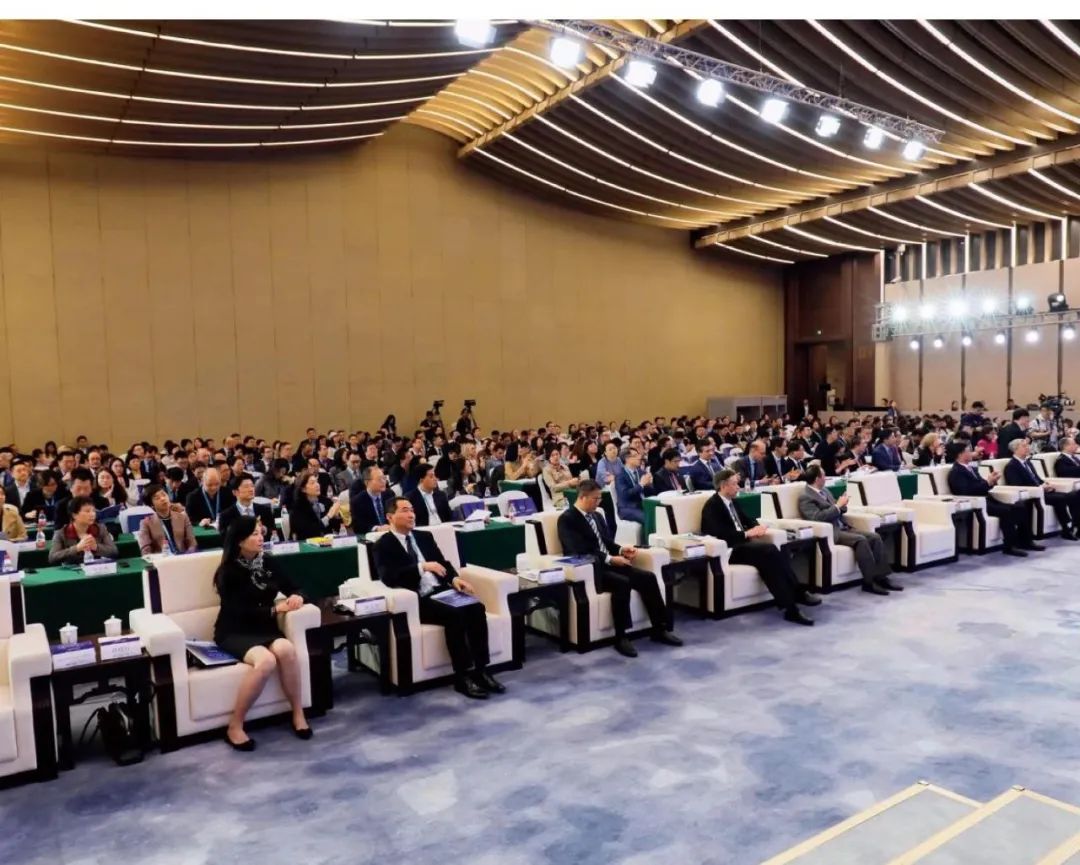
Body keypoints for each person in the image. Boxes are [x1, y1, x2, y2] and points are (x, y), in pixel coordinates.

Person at [373, 497, 504, 699]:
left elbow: (443, 563)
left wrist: (454, 579)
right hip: (419, 598)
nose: (411, 515)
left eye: (412, 510)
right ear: (390, 517)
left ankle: (482, 670)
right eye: (405, 510)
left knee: (476, 608)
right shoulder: (383, 545)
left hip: (442, 590)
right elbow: (389, 577)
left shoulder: (424, 536)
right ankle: (462, 676)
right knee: (454, 615)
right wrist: (421, 567)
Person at [213, 516, 312, 750]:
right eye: (254, 534)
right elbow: (238, 611)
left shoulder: (268, 562)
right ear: (239, 541)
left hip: (264, 627)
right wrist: (275, 609)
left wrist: (297, 596)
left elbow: (296, 587)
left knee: (286, 649)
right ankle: (235, 725)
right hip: (234, 630)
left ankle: (298, 713)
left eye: (261, 533)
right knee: (266, 661)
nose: (260, 538)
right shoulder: (227, 571)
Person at [557, 479, 682, 657]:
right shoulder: (568, 519)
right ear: (583, 497)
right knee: (622, 583)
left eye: (600, 498)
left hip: (609, 563)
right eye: (595, 498)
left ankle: (659, 629)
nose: (599, 502)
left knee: (648, 577)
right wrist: (610, 559)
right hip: (592, 569)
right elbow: (577, 550)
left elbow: (607, 543)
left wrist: (622, 550)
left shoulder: (597, 516)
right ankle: (621, 637)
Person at [701, 469, 820, 625]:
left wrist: (757, 527)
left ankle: (791, 605)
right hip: (729, 550)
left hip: (742, 545)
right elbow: (718, 533)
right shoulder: (712, 506)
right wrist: (746, 534)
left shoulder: (732, 502)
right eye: (735, 484)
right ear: (723, 486)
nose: (738, 487)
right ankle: (796, 597)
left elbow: (747, 520)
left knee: (773, 556)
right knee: (769, 551)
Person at [798, 466, 900, 594]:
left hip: (843, 526)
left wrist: (842, 505)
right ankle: (869, 582)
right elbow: (817, 518)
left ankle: (882, 578)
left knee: (875, 537)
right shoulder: (805, 497)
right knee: (860, 540)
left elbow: (838, 508)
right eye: (823, 475)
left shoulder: (824, 490)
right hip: (831, 532)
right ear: (817, 479)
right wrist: (837, 506)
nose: (825, 478)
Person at [946, 442, 1040, 556]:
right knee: (1006, 511)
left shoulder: (971, 469)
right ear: (960, 454)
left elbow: (981, 485)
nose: (971, 453)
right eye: (968, 451)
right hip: (977, 502)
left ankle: (1026, 541)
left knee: (1020, 507)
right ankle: (1009, 546)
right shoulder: (956, 472)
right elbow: (964, 492)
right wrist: (987, 482)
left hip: (987, 499)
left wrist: (991, 481)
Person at [1004, 439, 1080, 540]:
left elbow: (1037, 479)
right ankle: (1067, 528)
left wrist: (1045, 484)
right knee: (1060, 498)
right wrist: (1040, 488)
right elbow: (1017, 485)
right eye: (1024, 446)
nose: (1028, 448)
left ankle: (1074, 526)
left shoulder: (1027, 462)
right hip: (1032, 494)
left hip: (1041, 490)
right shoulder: (1012, 466)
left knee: (1072, 496)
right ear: (1015, 450)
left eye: (1028, 445)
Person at [48, 495, 118, 563]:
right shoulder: (61, 533)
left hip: (95, 568)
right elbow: (52, 557)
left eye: (94, 511)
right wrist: (77, 548)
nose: (92, 514)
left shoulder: (100, 529)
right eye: (87, 511)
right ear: (74, 515)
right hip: (72, 569)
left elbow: (114, 552)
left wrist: (96, 547)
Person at [136, 484, 198, 555]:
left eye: (164, 495)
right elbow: (145, 550)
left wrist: (188, 554)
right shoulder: (146, 523)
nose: (162, 499)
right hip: (161, 559)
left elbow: (192, 542)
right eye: (157, 498)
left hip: (182, 557)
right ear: (152, 505)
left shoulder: (183, 517)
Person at [288, 469, 341, 540]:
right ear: (303, 489)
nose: (317, 485)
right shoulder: (297, 508)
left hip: (327, 541)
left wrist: (336, 516)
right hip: (306, 543)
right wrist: (329, 516)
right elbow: (311, 532)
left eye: (317, 482)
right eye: (312, 483)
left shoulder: (326, 501)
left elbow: (336, 528)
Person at [219, 474, 275, 541]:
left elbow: (273, 531)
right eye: (246, 487)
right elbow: (225, 539)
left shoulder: (265, 510)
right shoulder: (226, 516)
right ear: (235, 492)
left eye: (252, 486)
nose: (251, 489)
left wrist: (264, 530)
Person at [350, 466, 396, 535]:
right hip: (372, 536)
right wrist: (377, 528)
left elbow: (395, 514)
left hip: (391, 532)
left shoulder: (389, 494)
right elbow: (358, 526)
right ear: (367, 482)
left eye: (384, 478)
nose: (383, 482)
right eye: (379, 479)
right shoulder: (357, 501)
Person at [614, 449, 653, 524]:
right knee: (648, 518)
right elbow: (625, 495)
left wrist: (650, 484)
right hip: (627, 507)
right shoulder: (620, 475)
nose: (639, 457)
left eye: (638, 455)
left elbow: (650, 492)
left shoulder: (641, 472)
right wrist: (641, 485)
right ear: (627, 459)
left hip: (643, 504)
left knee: (661, 512)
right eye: (635, 455)